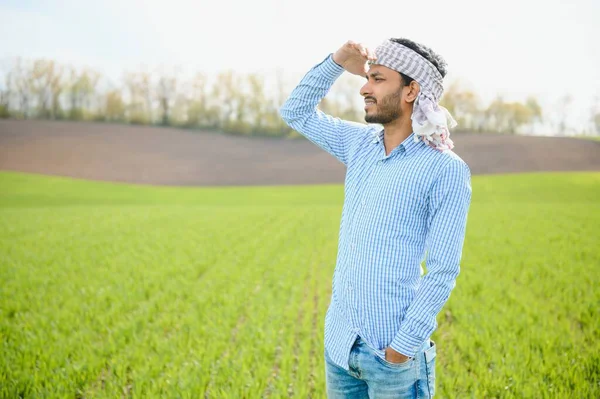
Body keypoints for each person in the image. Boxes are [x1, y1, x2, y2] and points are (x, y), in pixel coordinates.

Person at [279, 38, 472, 398]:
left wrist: (401, 349)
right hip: (340, 348)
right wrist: (337, 61)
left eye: (378, 79)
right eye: (367, 78)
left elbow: (444, 269)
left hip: (392, 360)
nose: (364, 88)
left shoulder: (445, 169)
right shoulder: (359, 144)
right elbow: (295, 112)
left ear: (412, 90)